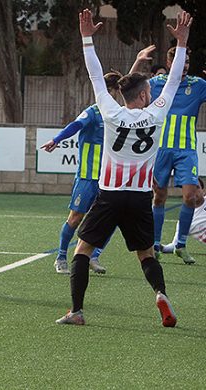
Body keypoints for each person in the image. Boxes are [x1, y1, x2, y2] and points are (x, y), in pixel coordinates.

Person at [56, 9, 191, 327]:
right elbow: (173, 81)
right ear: (144, 95)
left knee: (83, 249)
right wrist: (182, 43)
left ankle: (76, 311)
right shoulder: (156, 114)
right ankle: (160, 293)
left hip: (110, 195)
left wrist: (87, 38)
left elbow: (94, 75)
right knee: (146, 254)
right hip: (140, 198)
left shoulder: (111, 113)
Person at [41, 71, 123, 275]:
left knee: (112, 218)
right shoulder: (93, 112)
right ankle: (61, 257)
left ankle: (93, 256)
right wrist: (56, 139)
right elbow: (75, 125)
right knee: (76, 217)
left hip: (109, 179)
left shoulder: (119, 115)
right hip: (88, 177)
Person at [131, 44, 206, 264]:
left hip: (187, 149)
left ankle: (180, 244)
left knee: (191, 196)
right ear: (170, 64)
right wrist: (138, 60)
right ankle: (154, 243)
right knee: (159, 196)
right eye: (179, 64)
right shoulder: (156, 84)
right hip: (161, 149)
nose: (184, 68)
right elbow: (130, 84)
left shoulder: (198, 85)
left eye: (187, 64)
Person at [162, 178, 206, 253]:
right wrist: (160, 247)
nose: (194, 192)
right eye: (190, 189)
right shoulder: (184, 220)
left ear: (203, 191)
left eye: (197, 188)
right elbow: (174, 246)